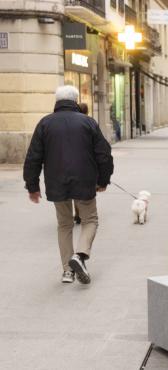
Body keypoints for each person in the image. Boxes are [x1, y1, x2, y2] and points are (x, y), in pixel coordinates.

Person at [23, 85, 114, 285]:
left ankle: (67, 271)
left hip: (56, 182)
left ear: (56, 101)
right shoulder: (88, 122)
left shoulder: (45, 123)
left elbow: (33, 157)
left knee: (64, 224)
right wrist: (103, 180)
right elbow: (104, 154)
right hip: (85, 179)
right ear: (75, 100)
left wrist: (32, 186)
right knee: (90, 219)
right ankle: (80, 256)